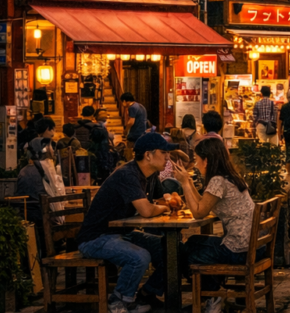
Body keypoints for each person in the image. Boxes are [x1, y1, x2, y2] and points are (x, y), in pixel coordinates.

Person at [76, 132, 177, 313]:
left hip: (122, 234)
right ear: (148, 155)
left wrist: (169, 201)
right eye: (164, 152)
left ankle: (147, 294)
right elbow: (147, 210)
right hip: (96, 238)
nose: (168, 157)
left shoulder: (150, 174)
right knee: (140, 257)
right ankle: (119, 302)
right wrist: (166, 208)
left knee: (172, 250)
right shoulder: (128, 174)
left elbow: (160, 200)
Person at [171, 138, 256, 313]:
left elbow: (198, 212)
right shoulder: (230, 177)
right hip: (252, 245)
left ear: (207, 160)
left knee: (188, 255)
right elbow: (203, 203)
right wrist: (188, 182)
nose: (195, 164)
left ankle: (214, 295)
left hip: (238, 248)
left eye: (196, 159)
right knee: (193, 242)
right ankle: (213, 293)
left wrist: (185, 183)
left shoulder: (218, 181)